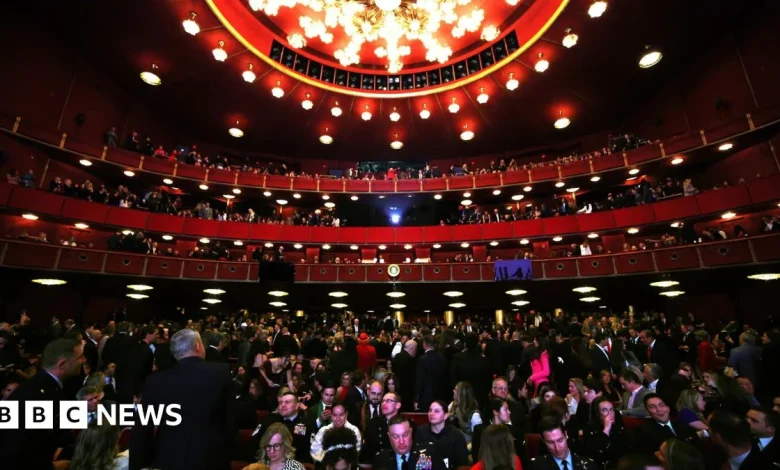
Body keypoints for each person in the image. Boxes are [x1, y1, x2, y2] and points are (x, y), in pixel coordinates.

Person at [129, 329, 236, 470]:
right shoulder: (221, 373)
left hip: (168, 458)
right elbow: (230, 422)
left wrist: (137, 464)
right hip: (211, 458)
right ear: (198, 346)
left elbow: (142, 428)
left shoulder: (155, 381)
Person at [0, 338, 85, 470]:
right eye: (80, 357)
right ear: (62, 364)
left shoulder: (48, 386)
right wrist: (50, 466)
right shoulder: (37, 395)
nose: (83, 361)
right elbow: (18, 448)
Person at [249, 389, 314, 464]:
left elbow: (305, 452)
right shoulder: (269, 420)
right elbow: (254, 441)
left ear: (297, 406)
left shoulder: (304, 424)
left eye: (287, 402)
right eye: (280, 403)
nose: (283, 405)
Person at [372, 415, 446, 470]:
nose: (401, 441)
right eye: (395, 436)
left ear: (411, 432)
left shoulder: (428, 453)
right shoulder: (381, 459)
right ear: (389, 436)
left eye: (405, 435)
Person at [632, 394, 697, 455]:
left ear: (668, 408)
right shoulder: (642, 432)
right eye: (652, 407)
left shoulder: (682, 424)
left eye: (661, 405)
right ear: (648, 412)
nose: (659, 410)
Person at [416, 401, 469, 470]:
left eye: (436, 411)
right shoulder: (420, 432)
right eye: (430, 410)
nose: (431, 413)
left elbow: (463, 464)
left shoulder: (456, 435)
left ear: (445, 416)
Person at [530, 417, 598, 470]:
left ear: (566, 435)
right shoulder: (536, 467)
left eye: (560, 440)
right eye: (550, 442)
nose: (557, 448)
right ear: (543, 441)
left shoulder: (589, 465)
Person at [581, 397, 627, 469]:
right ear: (597, 414)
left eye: (611, 410)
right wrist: (606, 429)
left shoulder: (619, 426)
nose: (610, 414)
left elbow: (625, 450)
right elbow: (596, 454)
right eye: (604, 410)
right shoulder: (589, 429)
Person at [415, 335, 448, 412]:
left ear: (424, 344)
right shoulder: (443, 358)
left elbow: (419, 380)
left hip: (425, 397)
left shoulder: (422, 359)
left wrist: (416, 398)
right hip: (441, 396)